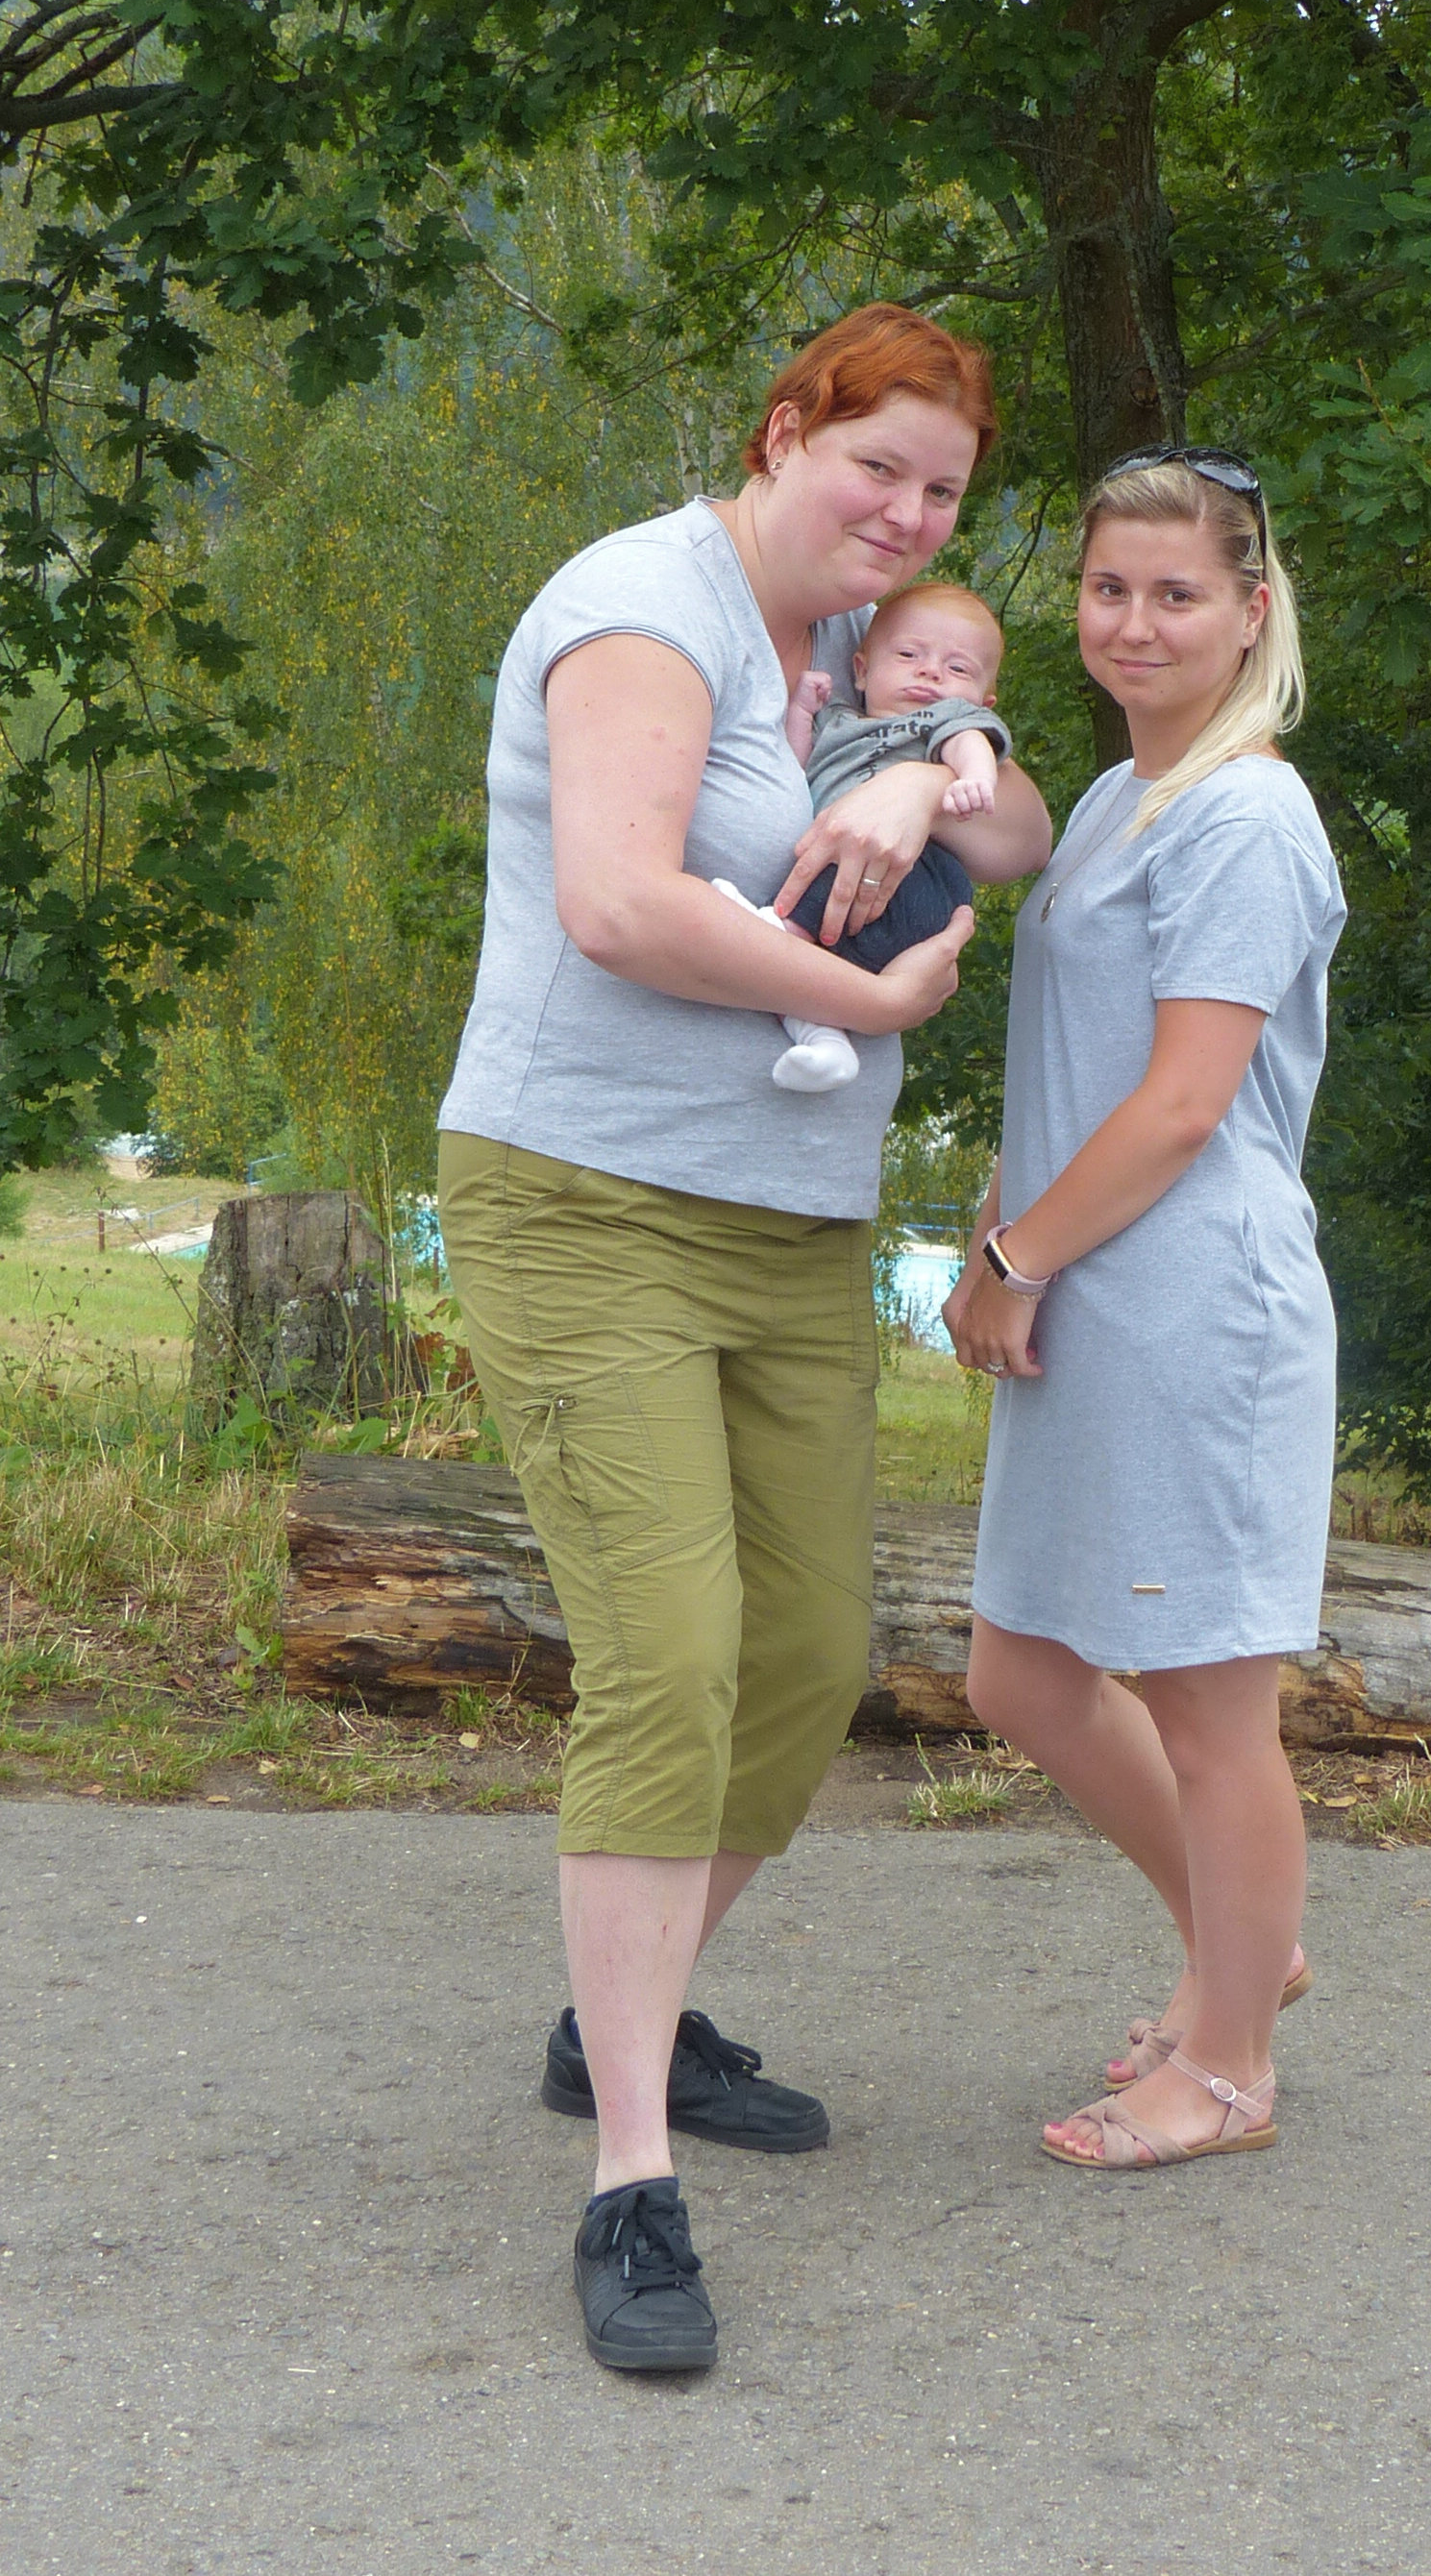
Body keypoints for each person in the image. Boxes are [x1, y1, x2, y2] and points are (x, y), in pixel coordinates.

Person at [436, 302, 1051, 2369]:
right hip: (584, 1192)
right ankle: (629, 2176)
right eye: (875, 463)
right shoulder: (643, 608)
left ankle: (618, 2007)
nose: (905, 511)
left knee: (799, 1657)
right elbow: (617, 902)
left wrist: (933, 778)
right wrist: (867, 999)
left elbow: (1020, 840)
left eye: (941, 488)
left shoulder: (862, 654)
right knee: (670, 1658)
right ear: (782, 431)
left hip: (792, 1225)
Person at [946, 446, 1345, 2172]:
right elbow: (1079, 1054)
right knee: (1021, 1671)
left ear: (1249, 611)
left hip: (1193, 1310)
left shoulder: (1245, 813)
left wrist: (1016, 1260)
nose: (1133, 621)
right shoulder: (1121, 795)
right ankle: (1245, 1948)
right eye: (1106, 587)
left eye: (1176, 593)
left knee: (1204, 1705)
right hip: (1084, 1287)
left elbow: (1185, 1102)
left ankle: (1229, 2063)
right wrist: (1001, 1217)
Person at [718, 582, 1011, 1092]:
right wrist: (800, 715)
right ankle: (826, 1043)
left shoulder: (940, 720)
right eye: (909, 655)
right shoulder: (838, 723)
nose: (931, 672)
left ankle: (768, 930)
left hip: (914, 881)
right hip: (862, 904)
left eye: (958, 668)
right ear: (861, 670)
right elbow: (795, 770)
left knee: (835, 869)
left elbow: (970, 744)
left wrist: (974, 779)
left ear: (983, 703)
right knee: (809, 976)